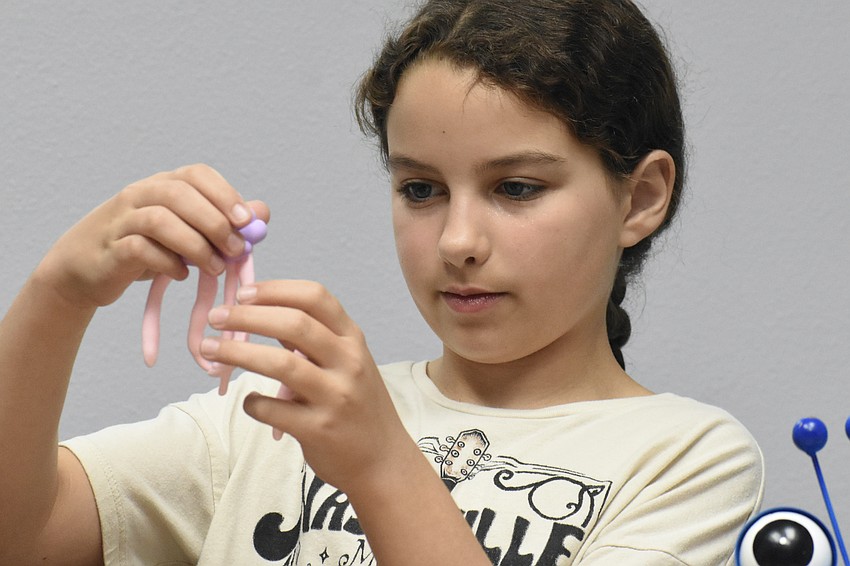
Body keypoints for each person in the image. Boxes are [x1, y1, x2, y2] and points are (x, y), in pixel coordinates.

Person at [0, 0, 764, 564]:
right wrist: (58, 295)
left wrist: (379, 464)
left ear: (641, 198)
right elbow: (23, 536)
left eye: (518, 188)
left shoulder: (686, 458)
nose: (459, 242)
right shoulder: (265, 422)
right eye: (422, 190)